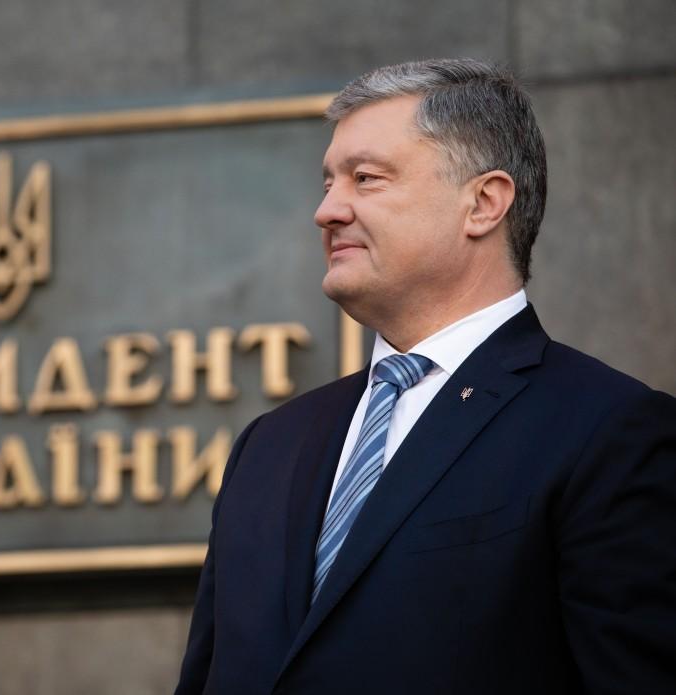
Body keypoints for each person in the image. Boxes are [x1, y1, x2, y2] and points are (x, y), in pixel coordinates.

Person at [174, 58, 676, 694]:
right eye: (327, 184)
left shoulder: (608, 431)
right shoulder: (268, 446)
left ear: (484, 203)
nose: (327, 211)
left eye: (366, 179)